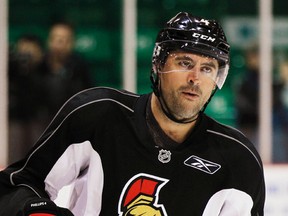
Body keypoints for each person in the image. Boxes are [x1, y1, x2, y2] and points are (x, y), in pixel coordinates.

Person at [0, 12, 265, 216]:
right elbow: (16, 186)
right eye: (185, 63)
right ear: (158, 64)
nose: (195, 78)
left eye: (208, 68)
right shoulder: (97, 115)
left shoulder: (239, 161)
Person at [41, 21, 94, 123]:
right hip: (42, 124)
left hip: (72, 122)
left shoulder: (80, 66)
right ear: (48, 41)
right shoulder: (39, 66)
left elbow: (87, 97)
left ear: (72, 43)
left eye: (65, 40)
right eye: (56, 38)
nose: (60, 43)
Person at [8, 34, 47, 163]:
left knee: (37, 156)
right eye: (23, 52)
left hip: (39, 119)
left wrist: (33, 68)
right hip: (14, 119)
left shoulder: (46, 70)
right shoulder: (10, 68)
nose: (25, 56)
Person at [235, 46, 260, 148]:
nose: (253, 60)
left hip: (266, 124)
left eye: (255, 56)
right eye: (251, 57)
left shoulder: (269, 78)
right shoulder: (245, 78)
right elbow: (242, 104)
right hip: (249, 120)